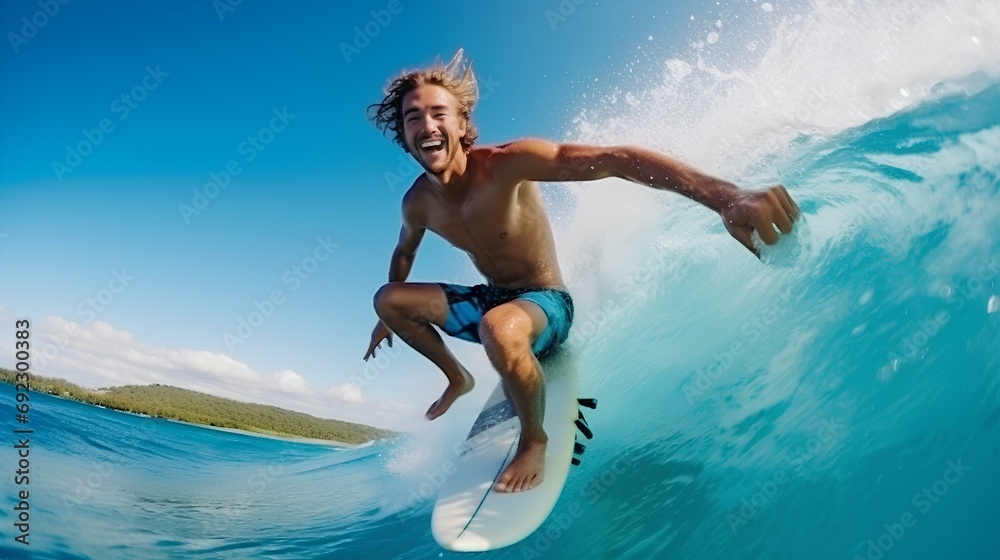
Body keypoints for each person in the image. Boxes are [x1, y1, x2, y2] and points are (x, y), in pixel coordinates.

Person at [363, 51, 798, 494]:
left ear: (461, 123)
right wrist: (388, 320)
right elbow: (403, 254)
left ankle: (534, 440)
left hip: (546, 302)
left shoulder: (506, 164)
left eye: (439, 113)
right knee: (388, 299)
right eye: (413, 117)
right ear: (403, 133)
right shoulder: (417, 202)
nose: (427, 125)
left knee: (500, 328)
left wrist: (724, 196)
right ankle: (458, 377)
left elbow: (612, 160)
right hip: (491, 299)